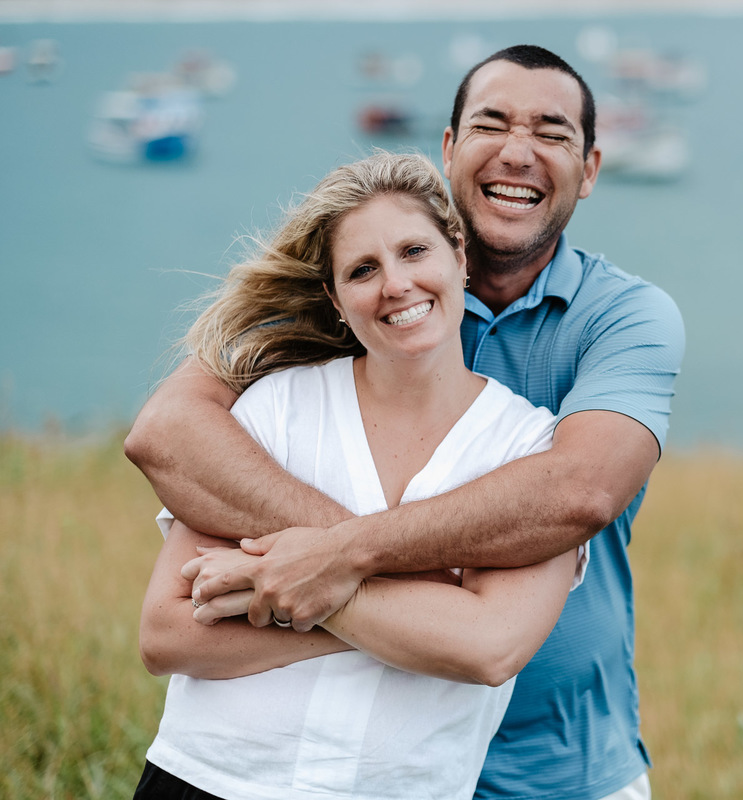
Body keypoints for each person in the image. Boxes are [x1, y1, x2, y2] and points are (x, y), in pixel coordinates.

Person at [126, 45, 685, 800]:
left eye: (551, 133)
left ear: (588, 168)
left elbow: (579, 491)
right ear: (449, 147)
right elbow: (165, 433)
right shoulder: (338, 316)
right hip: (378, 768)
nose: (517, 153)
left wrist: (322, 562)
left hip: (559, 764)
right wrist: (419, 593)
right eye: (491, 123)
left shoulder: (623, 318)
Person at [135, 151, 588, 799]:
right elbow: (168, 633)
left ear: (459, 255)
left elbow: (487, 648)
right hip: (207, 780)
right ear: (336, 299)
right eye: (363, 270)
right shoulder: (275, 406)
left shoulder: (529, 449)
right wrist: (420, 607)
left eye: (413, 251)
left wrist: (283, 587)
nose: (396, 285)